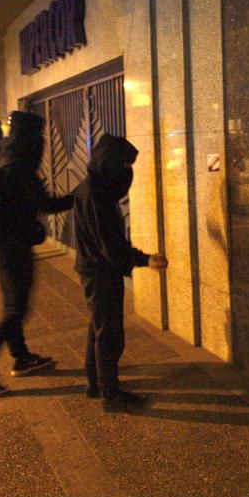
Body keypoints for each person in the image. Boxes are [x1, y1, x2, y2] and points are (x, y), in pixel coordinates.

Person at [0, 111, 73, 397]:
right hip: (12, 243)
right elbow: (46, 205)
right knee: (15, 310)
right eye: (40, 139)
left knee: (13, 304)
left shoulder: (0, 156)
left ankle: (21, 357)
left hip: (2, 241)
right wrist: (81, 194)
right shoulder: (18, 167)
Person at [72, 135, 167, 412]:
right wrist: (144, 259)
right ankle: (110, 395)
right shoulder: (95, 196)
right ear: (110, 164)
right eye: (125, 165)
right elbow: (111, 246)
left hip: (95, 269)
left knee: (99, 328)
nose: (128, 172)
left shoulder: (92, 188)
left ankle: (96, 384)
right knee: (109, 334)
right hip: (100, 272)